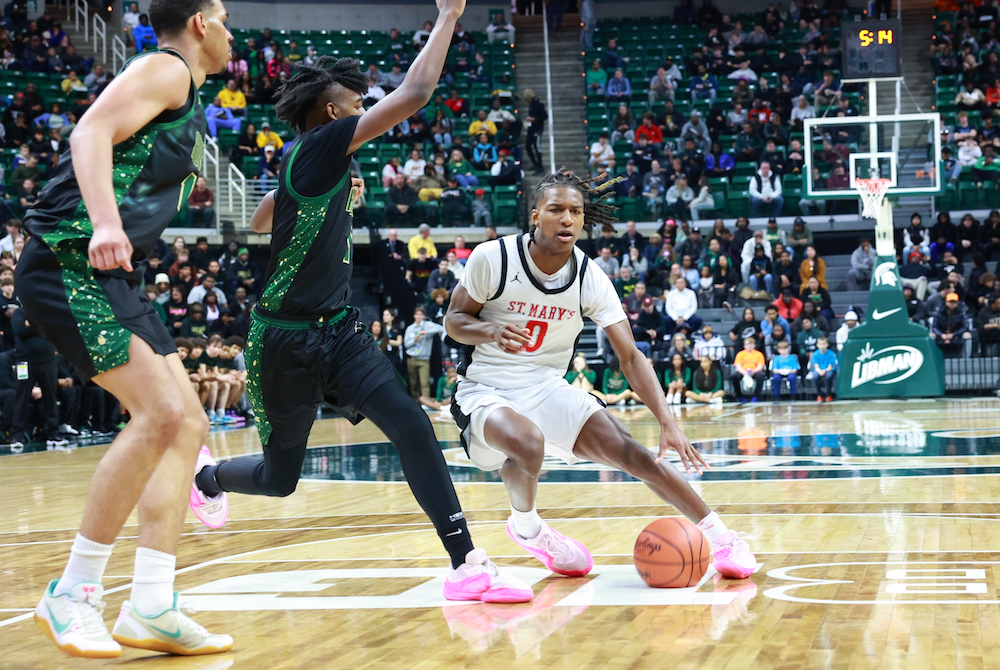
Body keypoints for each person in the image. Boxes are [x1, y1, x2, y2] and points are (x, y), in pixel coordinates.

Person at [193, 5, 534, 607]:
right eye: (356, 106)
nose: (364, 113)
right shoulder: (322, 145)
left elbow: (260, 214)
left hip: (341, 333)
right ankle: (207, 477)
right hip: (282, 341)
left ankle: (467, 562)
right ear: (330, 114)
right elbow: (418, 91)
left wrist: (315, 201)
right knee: (280, 480)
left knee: (412, 426)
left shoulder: (314, 162)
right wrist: (450, 14)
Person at [21, 0, 234, 658]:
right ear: (201, 22)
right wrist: (109, 223)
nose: (231, 32)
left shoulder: (185, 97)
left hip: (111, 277)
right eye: (225, 16)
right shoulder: (167, 69)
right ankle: (73, 592)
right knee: (161, 415)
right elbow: (88, 134)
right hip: (69, 259)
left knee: (190, 424)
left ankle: (152, 603)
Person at [444, 168, 756, 583]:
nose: (567, 219)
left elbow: (630, 357)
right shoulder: (493, 258)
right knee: (527, 442)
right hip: (485, 389)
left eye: (575, 210)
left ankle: (723, 539)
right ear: (535, 216)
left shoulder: (589, 276)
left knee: (635, 455)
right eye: (556, 209)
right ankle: (529, 529)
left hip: (545, 386)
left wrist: (668, 422)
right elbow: (454, 320)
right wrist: (491, 330)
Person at [932, 292, 970, 357]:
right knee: (931, 335)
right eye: (950, 302)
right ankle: (933, 357)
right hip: (942, 335)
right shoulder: (939, 311)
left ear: (957, 303)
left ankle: (965, 358)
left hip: (957, 335)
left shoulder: (961, 311)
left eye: (954, 302)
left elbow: (965, 326)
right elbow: (934, 327)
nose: (952, 304)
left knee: (967, 335)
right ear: (946, 302)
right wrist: (941, 335)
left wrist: (953, 335)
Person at [732, 336, 765, 402]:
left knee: (761, 376)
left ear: (754, 345)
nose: (750, 346)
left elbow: (760, 367)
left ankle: (756, 396)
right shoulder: (740, 354)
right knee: (735, 377)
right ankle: (739, 396)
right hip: (743, 371)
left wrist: (752, 371)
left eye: (751, 344)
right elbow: (738, 366)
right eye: (748, 344)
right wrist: (745, 373)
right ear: (744, 345)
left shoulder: (759, 354)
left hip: (754, 371)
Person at [809, 336, 837, 402]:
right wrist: (820, 371)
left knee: (828, 376)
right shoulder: (815, 354)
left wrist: (824, 370)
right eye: (820, 344)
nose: (822, 346)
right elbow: (816, 366)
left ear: (827, 344)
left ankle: (828, 395)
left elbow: (830, 367)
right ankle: (819, 395)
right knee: (815, 377)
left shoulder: (831, 354)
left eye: (824, 344)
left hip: (828, 370)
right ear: (817, 345)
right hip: (819, 370)